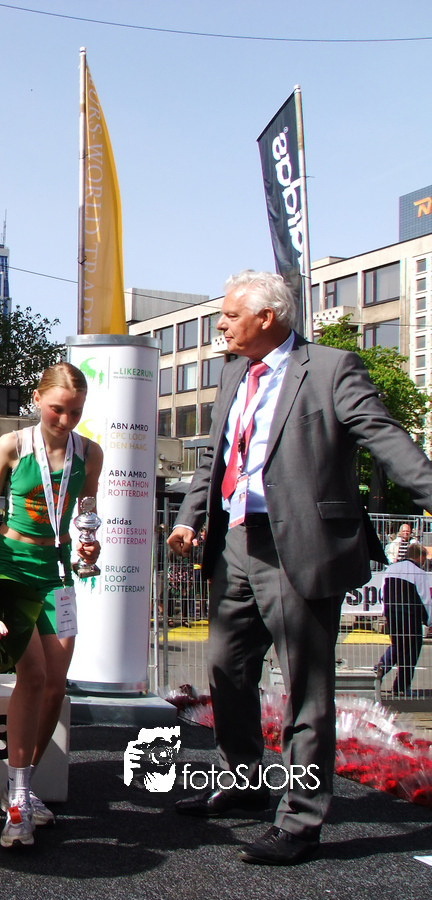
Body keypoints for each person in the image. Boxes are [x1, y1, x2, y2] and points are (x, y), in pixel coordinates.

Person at [167, 270, 432, 865]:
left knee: (305, 690)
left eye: (231, 315)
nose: (221, 325)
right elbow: (214, 457)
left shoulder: (332, 368)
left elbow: (386, 439)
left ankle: (300, 822)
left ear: (267, 317)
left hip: (301, 548)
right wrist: (189, 517)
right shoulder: (233, 372)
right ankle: (243, 785)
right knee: (227, 672)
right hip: (234, 543)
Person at [0, 362, 103, 849]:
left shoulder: (90, 454)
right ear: (37, 399)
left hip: (58, 574)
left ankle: (20, 785)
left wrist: (90, 546)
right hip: (11, 569)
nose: (65, 420)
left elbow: (87, 513)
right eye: (57, 409)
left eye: (75, 412)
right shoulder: (13, 444)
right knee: (35, 674)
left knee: (56, 684)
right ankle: (19, 802)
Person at [374, 542, 432, 696]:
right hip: (410, 616)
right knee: (411, 651)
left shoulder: (391, 568)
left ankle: (377, 672)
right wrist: (429, 621)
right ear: (421, 557)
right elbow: (425, 600)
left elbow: (382, 593)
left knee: (397, 646)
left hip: (392, 613)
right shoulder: (418, 572)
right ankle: (401, 686)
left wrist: (385, 611)